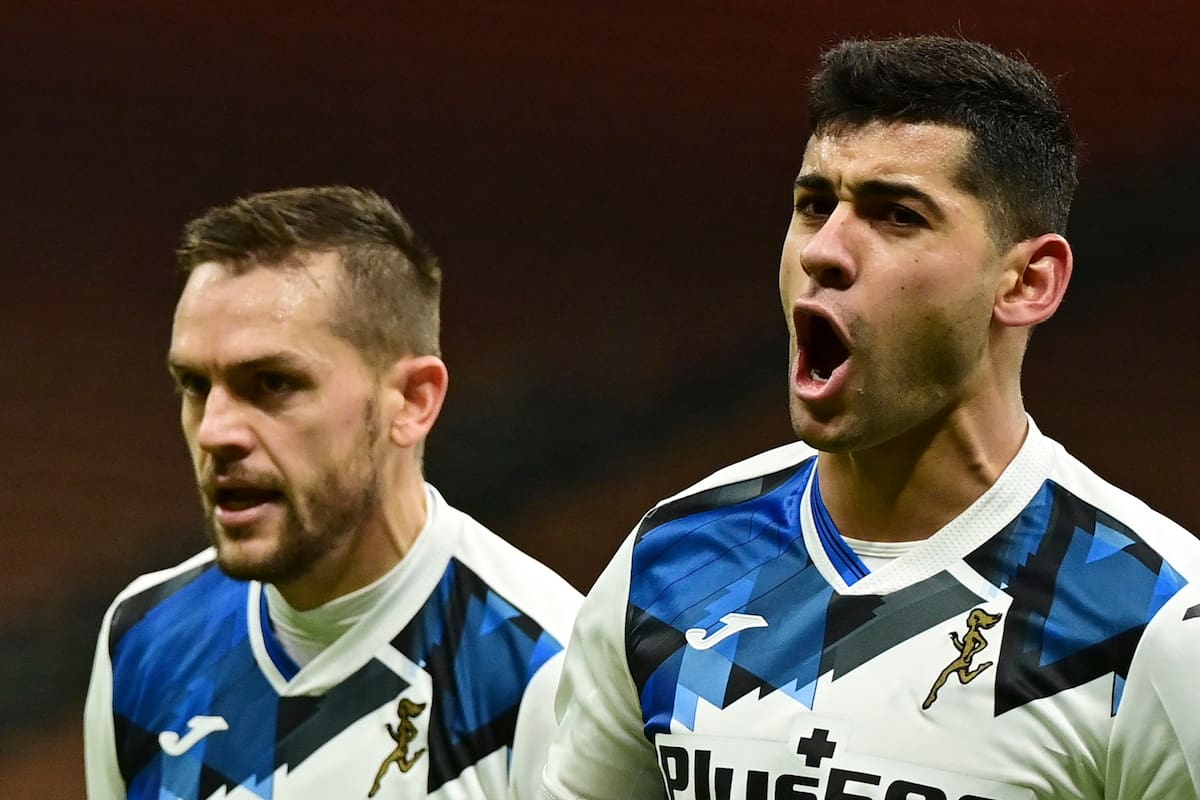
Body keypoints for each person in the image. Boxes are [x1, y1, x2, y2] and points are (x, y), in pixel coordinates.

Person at [539, 36, 1200, 800]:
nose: (824, 251)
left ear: (1026, 281)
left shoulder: (1154, 621)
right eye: (814, 205)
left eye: (896, 216)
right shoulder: (670, 562)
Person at [83, 186, 582, 799]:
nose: (214, 431)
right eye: (193, 385)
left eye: (272, 382)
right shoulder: (143, 640)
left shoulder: (550, 673)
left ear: (412, 400)